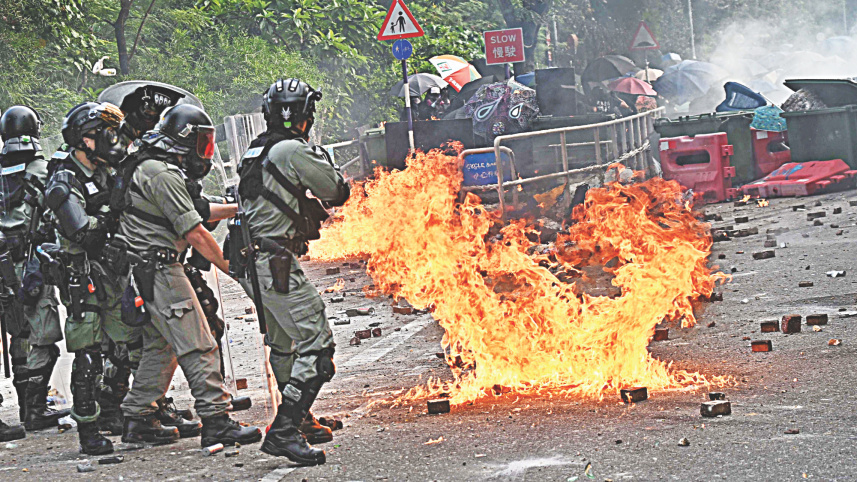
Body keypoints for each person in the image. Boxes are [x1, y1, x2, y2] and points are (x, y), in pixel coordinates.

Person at [115, 104, 261, 447]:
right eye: (202, 143)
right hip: (162, 270)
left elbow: (198, 209)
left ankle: (138, 418)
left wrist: (242, 208)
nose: (204, 152)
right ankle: (217, 421)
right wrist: (234, 271)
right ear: (184, 139)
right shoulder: (161, 174)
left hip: (148, 269)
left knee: (161, 347)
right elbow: (195, 231)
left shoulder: (152, 166)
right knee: (200, 343)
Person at [233, 78, 350, 466]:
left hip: (254, 260)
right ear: (306, 116)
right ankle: (284, 431)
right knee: (317, 345)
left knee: (284, 346)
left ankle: (300, 418)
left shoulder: (257, 149)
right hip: (275, 261)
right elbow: (336, 190)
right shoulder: (291, 150)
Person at [0, 106, 69, 437]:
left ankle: (27, 407)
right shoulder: (41, 170)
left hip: (3, 266)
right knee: (43, 337)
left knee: (18, 334)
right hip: (31, 264)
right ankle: (36, 409)